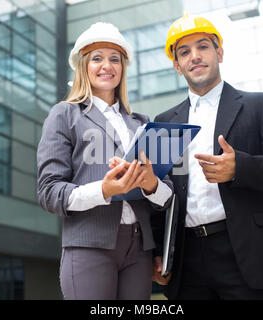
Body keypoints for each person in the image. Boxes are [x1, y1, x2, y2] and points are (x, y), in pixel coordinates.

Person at [151, 14, 263, 300]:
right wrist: (158, 252)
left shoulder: (258, 106)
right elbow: (162, 195)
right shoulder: (165, 123)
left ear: (219, 52)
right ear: (176, 65)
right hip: (187, 260)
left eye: (203, 47)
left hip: (243, 253)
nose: (194, 56)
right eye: (184, 52)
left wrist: (240, 167)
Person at [37, 22, 173, 300]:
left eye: (114, 59)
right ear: (83, 66)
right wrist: (105, 190)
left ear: (123, 68)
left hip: (139, 250)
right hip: (89, 244)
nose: (106, 66)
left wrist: (151, 184)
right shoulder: (64, 115)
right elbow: (49, 192)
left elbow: (167, 196)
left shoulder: (142, 124)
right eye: (96, 58)